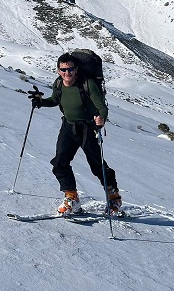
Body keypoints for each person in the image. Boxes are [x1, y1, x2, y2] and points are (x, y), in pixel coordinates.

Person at [28, 53, 122, 216]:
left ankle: (114, 198)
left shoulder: (87, 84)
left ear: (76, 69)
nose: (67, 73)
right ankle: (72, 198)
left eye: (70, 69)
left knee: (97, 165)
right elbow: (55, 100)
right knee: (60, 162)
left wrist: (101, 119)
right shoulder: (58, 83)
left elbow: (102, 108)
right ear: (58, 70)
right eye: (63, 69)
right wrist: (40, 102)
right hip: (68, 127)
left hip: (87, 128)